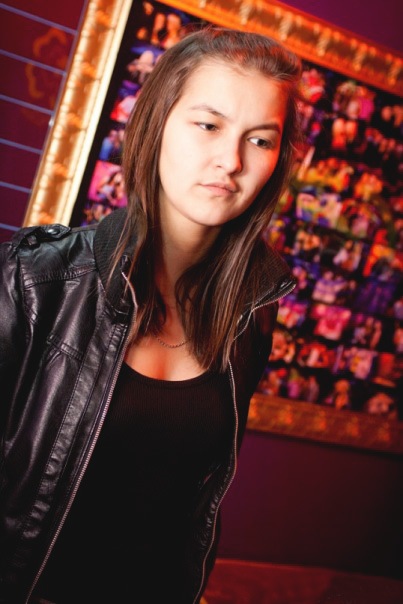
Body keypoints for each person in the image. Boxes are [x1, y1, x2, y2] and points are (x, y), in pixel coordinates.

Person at [0, 26, 301, 603]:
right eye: (208, 125)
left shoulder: (251, 314)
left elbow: (188, 509)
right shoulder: (36, 280)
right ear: (157, 121)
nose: (231, 161)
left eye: (260, 140)